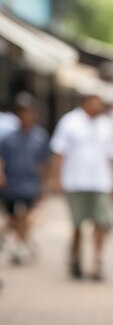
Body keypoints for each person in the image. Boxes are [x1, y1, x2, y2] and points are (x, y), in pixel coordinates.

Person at [49, 94, 113, 280]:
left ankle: (97, 261)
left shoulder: (106, 124)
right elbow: (58, 152)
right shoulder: (69, 122)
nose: (98, 108)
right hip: (75, 182)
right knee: (77, 225)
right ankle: (75, 259)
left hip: (101, 182)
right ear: (85, 104)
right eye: (95, 104)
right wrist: (56, 178)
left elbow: (112, 155)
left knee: (103, 223)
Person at [0, 92, 50, 264]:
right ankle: (22, 244)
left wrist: (45, 184)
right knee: (14, 218)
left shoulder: (39, 137)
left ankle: (19, 246)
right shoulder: (8, 138)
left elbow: (43, 162)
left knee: (26, 216)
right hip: (12, 183)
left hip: (31, 183)